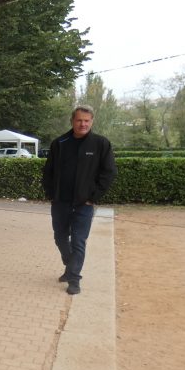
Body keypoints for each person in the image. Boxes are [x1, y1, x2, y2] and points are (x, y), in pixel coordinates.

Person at [41, 104, 116, 295]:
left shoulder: (101, 144)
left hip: (84, 204)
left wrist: (94, 197)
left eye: (86, 120)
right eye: (79, 120)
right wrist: (51, 194)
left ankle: (74, 278)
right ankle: (70, 264)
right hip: (60, 202)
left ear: (92, 121)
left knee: (78, 241)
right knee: (59, 237)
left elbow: (108, 173)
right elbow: (48, 171)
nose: (83, 124)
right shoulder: (60, 143)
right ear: (72, 121)